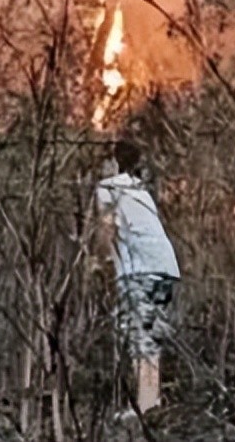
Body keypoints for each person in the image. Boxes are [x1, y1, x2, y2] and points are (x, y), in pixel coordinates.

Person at [95, 140, 180, 415]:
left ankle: (145, 405)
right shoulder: (140, 190)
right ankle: (150, 399)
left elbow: (107, 228)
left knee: (138, 334)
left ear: (113, 160)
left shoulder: (108, 187)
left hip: (139, 270)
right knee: (151, 333)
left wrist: (99, 260)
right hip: (165, 267)